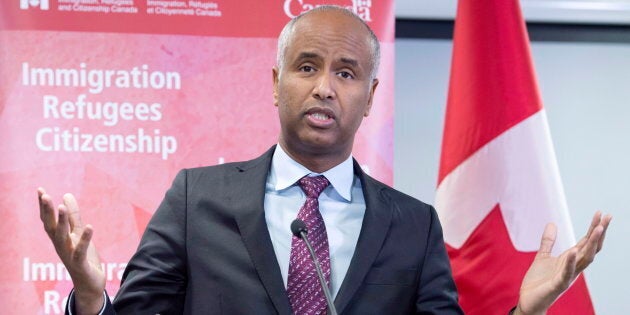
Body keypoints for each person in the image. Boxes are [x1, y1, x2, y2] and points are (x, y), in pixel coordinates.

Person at [37, 5, 611, 315]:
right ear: (276, 83)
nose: (325, 88)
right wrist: (90, 298)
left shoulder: (412, 225)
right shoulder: (196, 198)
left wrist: (525, 313)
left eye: (346, 72)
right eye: (307, 67)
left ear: (369, 97)